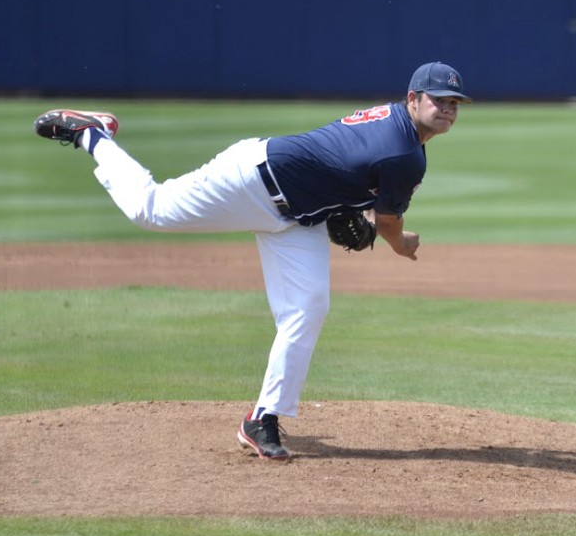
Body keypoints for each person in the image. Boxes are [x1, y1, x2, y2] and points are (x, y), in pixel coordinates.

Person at [34, 62, 471, 461]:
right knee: (150, 209)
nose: (447, 109)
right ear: (412, 99)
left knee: (308, 307)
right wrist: (398, 242)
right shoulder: (405, 154)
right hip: (251, 181)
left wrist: (350, 209)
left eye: (454, 103)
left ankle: (262, 419)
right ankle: (92, 134)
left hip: (300, 216)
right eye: (438, 100)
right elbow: (391, 224)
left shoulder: (394, 124)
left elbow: (347, 165)